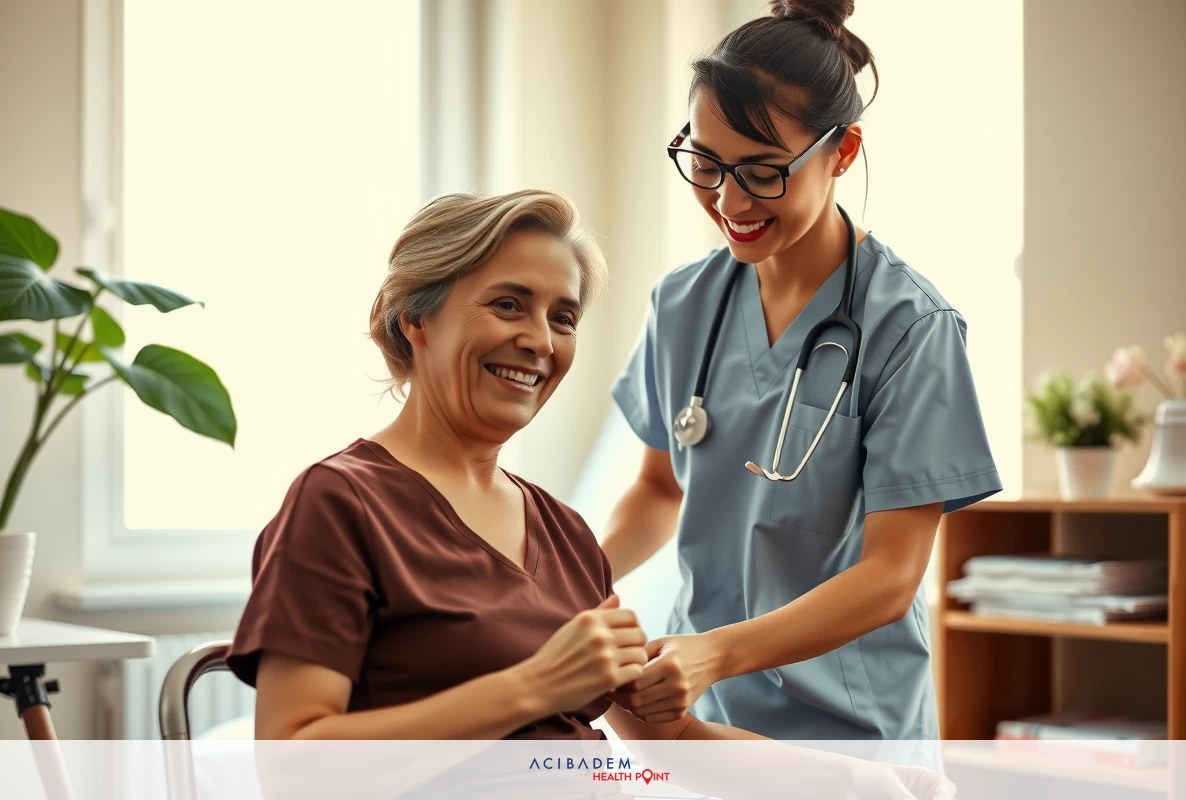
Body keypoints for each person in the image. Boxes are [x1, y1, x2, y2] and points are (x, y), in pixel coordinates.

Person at [222, 188, 954, 799]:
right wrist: (533, 686)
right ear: (417, 317)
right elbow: (294, 765)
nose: (540, 340)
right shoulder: (340, 503)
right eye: (508, 304)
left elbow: (675, 743)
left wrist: (864, 784)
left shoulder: (564, 534)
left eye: (562, 316)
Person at [602, 0, 1003, 741]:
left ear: (841, 152)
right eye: (706, 163)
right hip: (705, 720)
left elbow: (890, 576)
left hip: (849, 728)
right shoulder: (682, 303)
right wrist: (566, 585)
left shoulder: (910, 328)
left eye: (761, 173)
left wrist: (714, 654)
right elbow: (660, 490)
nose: (727, 201)